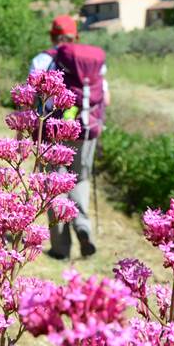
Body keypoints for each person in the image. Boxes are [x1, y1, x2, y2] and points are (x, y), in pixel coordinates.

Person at [31, 15, 109, 260]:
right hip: (87, 131)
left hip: (54, 129)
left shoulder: (43, 59)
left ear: (52, 35)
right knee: (81, 180)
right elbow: (105, 99)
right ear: (76, 37)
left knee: (55, 184)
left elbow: (33, 96)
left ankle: (60, 248)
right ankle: (83, 227)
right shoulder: (94, 61)